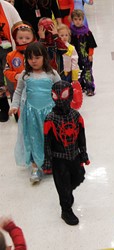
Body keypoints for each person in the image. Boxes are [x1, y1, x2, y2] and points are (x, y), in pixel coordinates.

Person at [9, 42, 61, 184]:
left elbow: (60, 90)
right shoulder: (25, 75)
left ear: (44, 57)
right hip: (30, 114)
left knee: (50, 138)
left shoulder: (51, 74)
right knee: (33, 138)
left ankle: (52, 162)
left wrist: (63, 108)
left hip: (50, 113)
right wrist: (14, 106)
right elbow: (18, 92)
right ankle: (35, 167)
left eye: (37, 57)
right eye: (30, 58)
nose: (34, 61)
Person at [43, 80, 90, 225]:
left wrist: (84, 153)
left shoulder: (76, 116)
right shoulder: (50, 119)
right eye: (56, 96)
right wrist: (48, 160)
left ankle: (68, 193)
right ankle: (66, 210)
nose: (60, 100)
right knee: (62, 184)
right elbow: (47, 141)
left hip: (74, 155)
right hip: (58, 158)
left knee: (79, 176)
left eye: (63, 95)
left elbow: (81, 135)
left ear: (70, 95)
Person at [4, 21, 36, 121]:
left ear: (32, 38)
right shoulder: (11, 55)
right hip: (18, 89)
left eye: (27, 38)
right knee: (21, 118)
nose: (23, 40)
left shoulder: (37, 52)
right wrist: (15, 76)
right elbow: (6, 71)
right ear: (15, 39)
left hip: (35, 88)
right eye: (20, 38)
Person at [0, 0, 21, 122]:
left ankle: (16, 108)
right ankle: (3, 108)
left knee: (12, 80)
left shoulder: (7, 7)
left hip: (9, 50)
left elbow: (19, 25)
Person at [70, 9, 97, 96]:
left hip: (85, 57)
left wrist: (90, 54)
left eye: (80, 19)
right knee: (77, 72)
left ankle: (90, 88)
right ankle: (80, 86)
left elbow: (91, 45)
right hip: (75, 57)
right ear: (72, 20)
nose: (77, 21)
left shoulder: (87, 32)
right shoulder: (71, 32)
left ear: (83, 19)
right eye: (75, 19)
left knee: (87, 72)